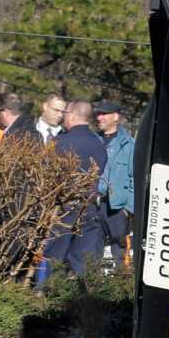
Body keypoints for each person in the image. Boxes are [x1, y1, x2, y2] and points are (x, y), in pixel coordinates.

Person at [39, 100, 108, 284]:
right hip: (89, 207)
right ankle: (80, 302)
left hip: (64, 208)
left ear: (74, 115)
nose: (63, 116)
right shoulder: (99, 144)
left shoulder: (61, 142)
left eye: (66, 113)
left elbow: (45, 172)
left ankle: (45, 295)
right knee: (83, 261)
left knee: (53, 257)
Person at [94, 99, 135, 267]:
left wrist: (128, 209)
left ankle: (122, 290)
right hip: (94, 205)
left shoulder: (129, 145)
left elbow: (135, 178)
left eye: (104, 114)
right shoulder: (94, 140)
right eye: (98, 114)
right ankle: (88, 291)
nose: (99, 117)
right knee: (90, 252)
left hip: (117, 208)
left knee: (121, 254)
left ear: (116, 117)